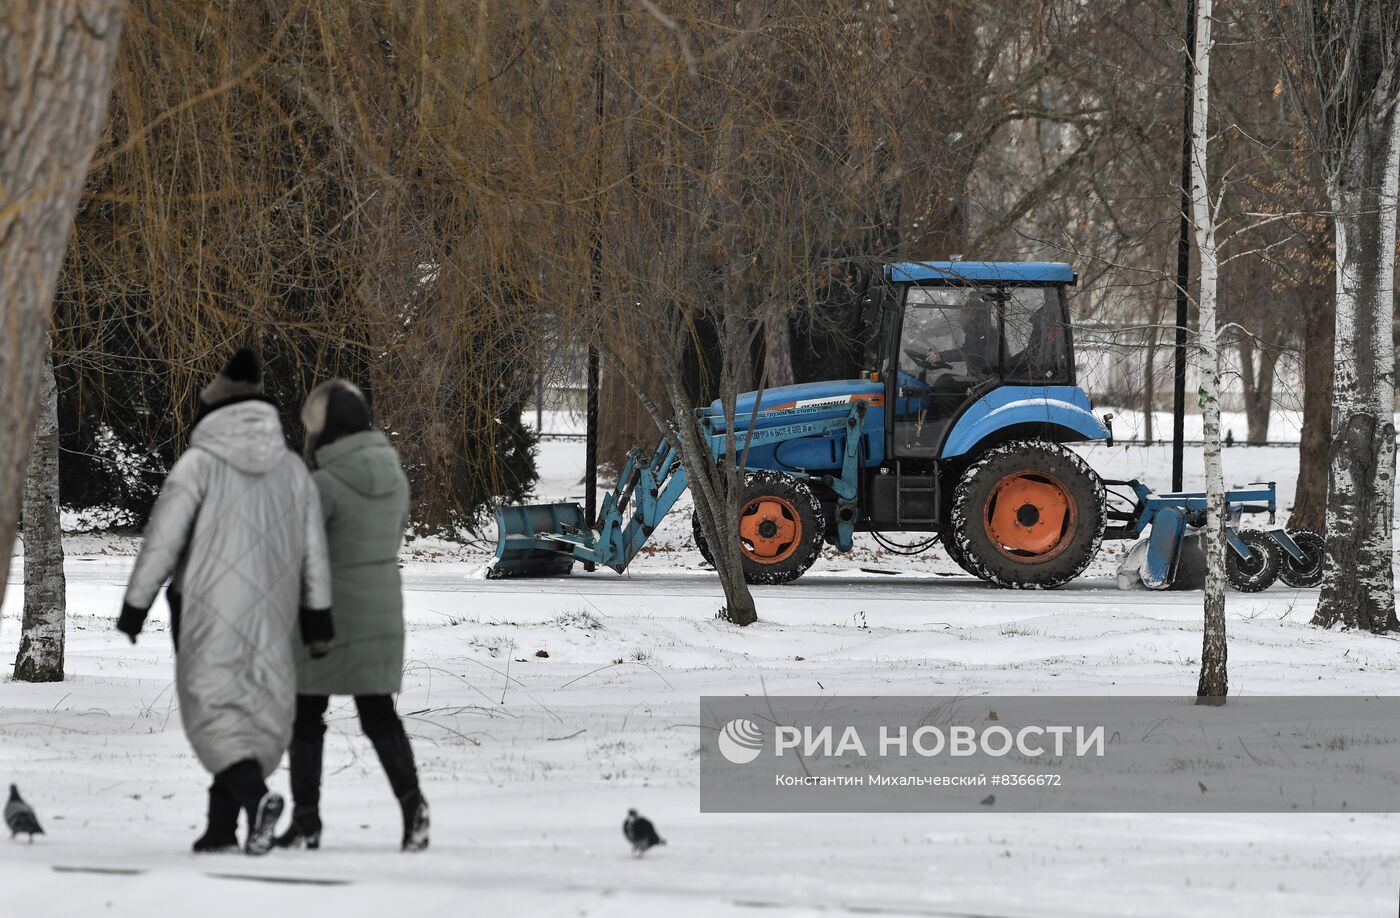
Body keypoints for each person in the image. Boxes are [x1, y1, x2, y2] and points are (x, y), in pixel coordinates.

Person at [118, 347, 333, 856]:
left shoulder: (198, 464)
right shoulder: (291, 470)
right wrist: (318, 615)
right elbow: (313, 551)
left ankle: (255, 800)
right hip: (275, 611)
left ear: (212, 410)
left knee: (212, 708)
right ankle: (221, 828)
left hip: (203, 608)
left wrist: (135, 605)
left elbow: (163, 539)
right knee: (254, 711)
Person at [275, 379, 429, 852]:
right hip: (381, 608)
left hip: (326, 614)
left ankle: (306, 822)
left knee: (305, 714)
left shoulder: (321, 485)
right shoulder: (394, 476)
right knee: (379, 712)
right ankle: (413, 804)